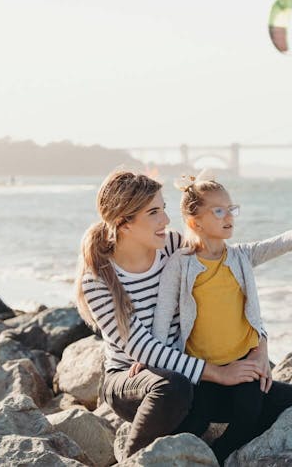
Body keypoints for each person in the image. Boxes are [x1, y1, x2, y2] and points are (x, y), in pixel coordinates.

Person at [152, 175, 292, 463]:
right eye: (219, 210)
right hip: (203, 371)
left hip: (243, 366)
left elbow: (283, 241)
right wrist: (152, 360)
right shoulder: (180, 264)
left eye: (231, 209)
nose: (229, 217)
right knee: (193, 421)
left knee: (286, 402)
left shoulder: (240, 256)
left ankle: (218, 456)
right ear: (195, 222)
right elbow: (163, 316)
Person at [74, 170, 264, 459]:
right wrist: (219, 374)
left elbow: (227, 278)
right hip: (131, 380)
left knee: (283, 398)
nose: (165, 220)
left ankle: (216, 456)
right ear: (124, 223)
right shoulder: (98, 279)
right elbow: (141, 348)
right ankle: (133, 459)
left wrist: (260, 346)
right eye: (153, 212)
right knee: (173, 387)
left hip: (187, 373)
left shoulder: (173, 246)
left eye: (163, 209)